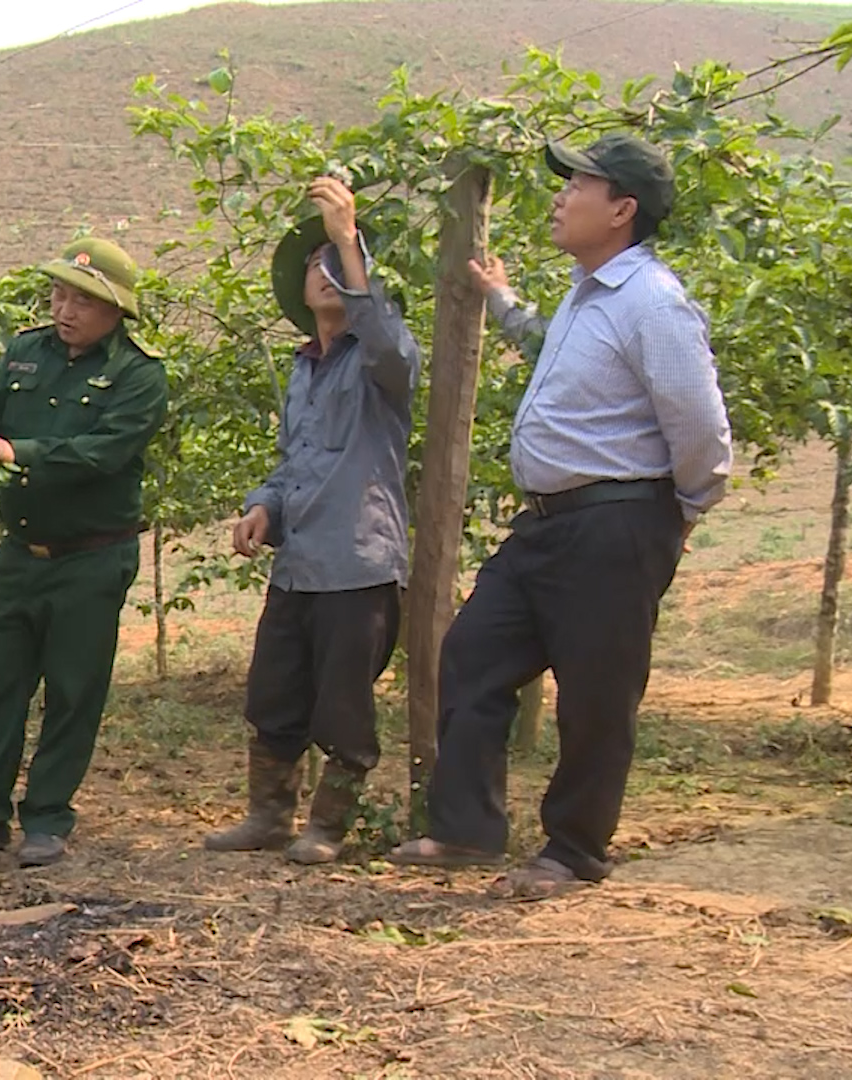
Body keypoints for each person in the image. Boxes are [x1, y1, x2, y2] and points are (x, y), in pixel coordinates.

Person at [389, 134, 733, 897]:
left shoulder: (654, 302)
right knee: (474, 652)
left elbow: (701, 429)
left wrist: (679, 514)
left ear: (622, 208)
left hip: (617, 520)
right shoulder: (589, 296)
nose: (560, 195)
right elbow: (550, 346)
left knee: (596, 690)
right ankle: (467, 828)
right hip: (548, 524)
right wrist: (502, 300)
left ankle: (575, 850)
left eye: (577, 183)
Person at [0, 237, 169, 868]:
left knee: (73, 689)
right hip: (20, 554)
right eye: (59, 294)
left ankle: (49, 819)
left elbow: (103, 453)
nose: (65, 310)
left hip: (92, 558)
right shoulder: (26, 352)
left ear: (116, 310)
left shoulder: (139, 375)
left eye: (83, 301)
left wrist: (16, 452)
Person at [205, 176, 420, 864]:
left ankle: (328, 827)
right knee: (274, 692)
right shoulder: (303, 371)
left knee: (345, 708)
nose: (326, 274)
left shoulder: (383, 362)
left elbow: (389, 342)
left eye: (340, 265)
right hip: (299, 567)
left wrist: (347, 237)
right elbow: (292, 462)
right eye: (316, 265)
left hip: (357, 566)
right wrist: (263, 505)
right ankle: (268, 816)